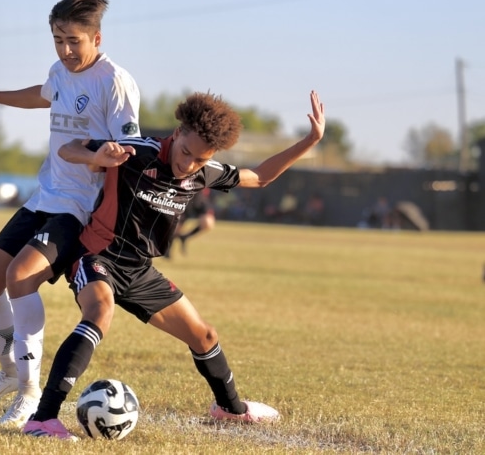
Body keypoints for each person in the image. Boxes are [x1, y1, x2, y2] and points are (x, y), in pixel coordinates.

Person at [22, 90, 325, 440]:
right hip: (97, 255)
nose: (188, 164)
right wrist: (102, 154)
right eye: (185, 152)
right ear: (177, 132)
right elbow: (68, 148)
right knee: (99, 313)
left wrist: (310, 140)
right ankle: (42, 420)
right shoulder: (139, 150)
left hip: (140, 270)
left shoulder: (203, 173)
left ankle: (231, 409)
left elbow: (260, 177)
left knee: (205, 335)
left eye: (200, 160)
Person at [0, 0, 140, 428]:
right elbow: (44, 95)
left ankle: (29, 393)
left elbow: (130, 150)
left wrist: (104, 157)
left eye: (74, 41)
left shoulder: (115, 81)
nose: (65, 50)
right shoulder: (59, 71)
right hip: (44, 196)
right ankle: (10, 373)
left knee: (19, 277)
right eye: (58, 40)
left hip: (79, 208)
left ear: (96, 38)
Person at [170, 188, 215, 256]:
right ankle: (168, 248)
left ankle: (185, 237)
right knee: (175, 228)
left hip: (200, 197)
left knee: (208, 222)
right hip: (185, 196)